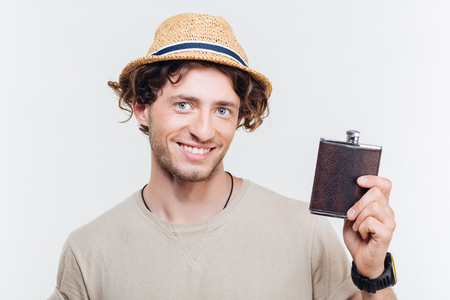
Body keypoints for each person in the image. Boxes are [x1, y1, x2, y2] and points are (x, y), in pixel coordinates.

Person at [49, 13, 397, 300]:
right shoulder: (89, 252)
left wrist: (372, 272)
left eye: (222, 110)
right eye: (183, 105)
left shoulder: (304, 232)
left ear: (240, 117)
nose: (203, 130)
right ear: (143, 107)